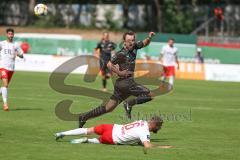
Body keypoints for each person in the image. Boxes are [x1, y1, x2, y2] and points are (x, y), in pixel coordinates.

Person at [78, 31, 155, 127]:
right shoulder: (121, 53)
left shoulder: (134, 46)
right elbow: (109, 64)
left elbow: (144, 43)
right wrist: (119, 72)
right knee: (150, 94)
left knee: (108, 108)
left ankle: (84, 117)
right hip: (126, 83)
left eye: (133, 40)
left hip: (122, 86)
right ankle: (129, 103)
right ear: (124, 42)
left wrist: (149, 37)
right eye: (129, 40)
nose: (132, 42)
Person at [56, 116, 163, 149]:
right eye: (159, 126)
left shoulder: (142, 122)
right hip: (112, 137)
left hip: (110, 127)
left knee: (87, 130)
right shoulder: (144, 132)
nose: (159, 129)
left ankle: (62, 133)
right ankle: (87, 140)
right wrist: (162, 147)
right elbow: (147, 146)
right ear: (154, 125)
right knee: (98, 140)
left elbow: (137, 137)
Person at [0, 28, 24, 111]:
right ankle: (5, 105)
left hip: (11, 68)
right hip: (3, 67)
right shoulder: (2, 44)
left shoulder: (16, 45)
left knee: (5, 87)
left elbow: (22, 55)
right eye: (9, 34)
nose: (10, 35)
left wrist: (18, 55)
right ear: (6, 35)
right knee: (6, 85)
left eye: (12, 34)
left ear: (13, 35)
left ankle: (2, 94)